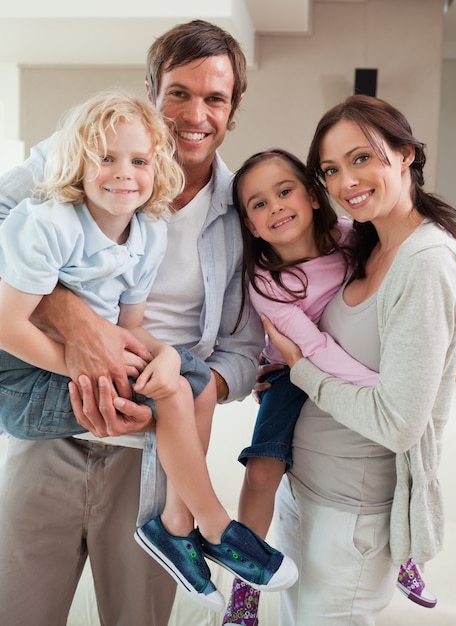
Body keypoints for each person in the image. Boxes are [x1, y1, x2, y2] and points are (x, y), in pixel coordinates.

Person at [0, 20, 267, 626]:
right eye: (178, 92)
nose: (194, 114)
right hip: (47, 426)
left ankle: (199, 522)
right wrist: (71, 319)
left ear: (234, 106)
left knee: (137, 617)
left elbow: (244, 352)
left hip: (151, 452)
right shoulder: (81, 152)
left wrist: (170, 398)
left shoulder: (246, 207)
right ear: (152, 90)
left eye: (215, 97)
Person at [258, 94, 456, 626]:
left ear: (404, 154)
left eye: (361, 158)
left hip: (350, 512)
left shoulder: (427, 263)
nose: (346, 181)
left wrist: (301, 370)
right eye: (331, 169)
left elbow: (400, 423)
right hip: (305, 488)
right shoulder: (362, 241)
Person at [222, 149, 435, 625]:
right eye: (258, 204)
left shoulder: (349, 239)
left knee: (396, 448)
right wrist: (377, 386)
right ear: (251, 227)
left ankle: (403, 554)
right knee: (261, 469)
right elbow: (311, 348)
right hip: (290, 371)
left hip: (347, 360)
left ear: (313, 197)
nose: (275, 206)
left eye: (284, 191)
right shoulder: (266, 281)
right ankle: (245, 581)